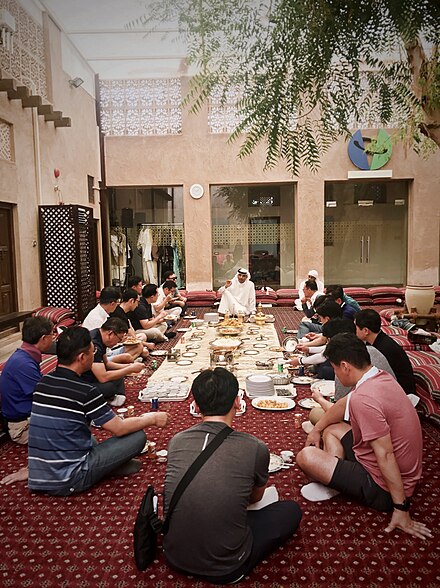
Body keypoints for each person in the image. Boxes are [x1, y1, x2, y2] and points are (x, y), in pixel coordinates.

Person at [163, 368, 302, 583]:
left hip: (173, 555)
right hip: (227, 566)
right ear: (237, 402)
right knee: (291, 511)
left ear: (196, 405)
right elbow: (254, 498)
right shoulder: (255, 447)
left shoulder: (176, 441)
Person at [296, 333, 432, 540]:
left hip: (384, 487)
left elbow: (385, 455)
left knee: (306, 457)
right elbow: (342, 406)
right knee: (331, 429)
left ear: (345, 366)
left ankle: (334, 480)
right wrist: (316, 429)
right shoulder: (378, 376)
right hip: (391, 466)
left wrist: (401, 508)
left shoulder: (365, 399)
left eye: (334, 369)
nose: (335, 374)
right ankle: (336, 478)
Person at [27, 326, 169, 496]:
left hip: (40, 475)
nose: (94, 356)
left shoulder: (43, 382)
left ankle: (111, 464)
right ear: (82, 357)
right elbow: (119, 428)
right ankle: (108, 466)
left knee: (90, 437)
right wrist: (151, 418)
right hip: (71, 478)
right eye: (92, 352)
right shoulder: (85, 390)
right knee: (138, 436)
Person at [0, 316, 55, 444]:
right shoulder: (23, 363)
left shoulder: (24, 355)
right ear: (43, 338)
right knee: (75, 430)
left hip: (29, 417)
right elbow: (45, 396)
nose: (53, 338)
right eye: (52, 334)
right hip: (23, 427)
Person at [82, 317, 144, 406]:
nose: (117, 343)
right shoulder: (94, 344)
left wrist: (129, 366)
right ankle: (107, 398)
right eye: (119, 339)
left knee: (118, 376)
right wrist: (129, 370)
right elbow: (103, 378)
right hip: (83, 380)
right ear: (110, 333)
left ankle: (113, 397)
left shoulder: (99, 335)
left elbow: (106, 363)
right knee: (109, 387)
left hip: (94, 375)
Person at [355, 309, 416, 396]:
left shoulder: (383, 349)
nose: (355, 331)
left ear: (366, 331)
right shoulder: (376, 341)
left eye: (356, 327)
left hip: (400, 394)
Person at [109, 288, 155, 359]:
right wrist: (147, 344)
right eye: (137, 302)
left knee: (143, 336)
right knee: (144, 351)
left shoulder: (124, 311)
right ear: (131, 301)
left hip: (128, 339)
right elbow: (131, 337)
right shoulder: (119, 314)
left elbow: (132, 332)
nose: (137, 305)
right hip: (118, 344)